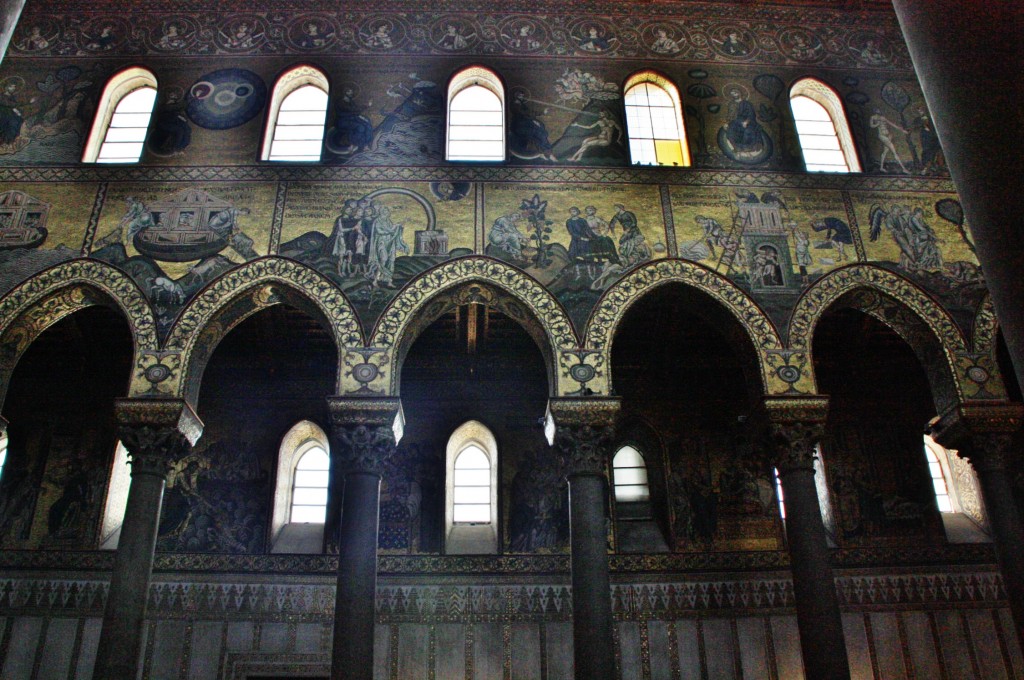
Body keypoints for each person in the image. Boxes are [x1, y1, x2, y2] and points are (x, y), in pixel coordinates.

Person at [366, 206, 408, 287]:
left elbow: (393, 230)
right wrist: (391, 230)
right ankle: (375, 280)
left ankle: (389, 281)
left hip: (390, 242)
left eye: (387, 210)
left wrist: (398, 226)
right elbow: (379, 231)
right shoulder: (377, 221)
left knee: (391, 260)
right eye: (384, 210)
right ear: (381, 212)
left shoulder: (388, 221)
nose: (386, 212)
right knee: (383, 259)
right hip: (381, 242)